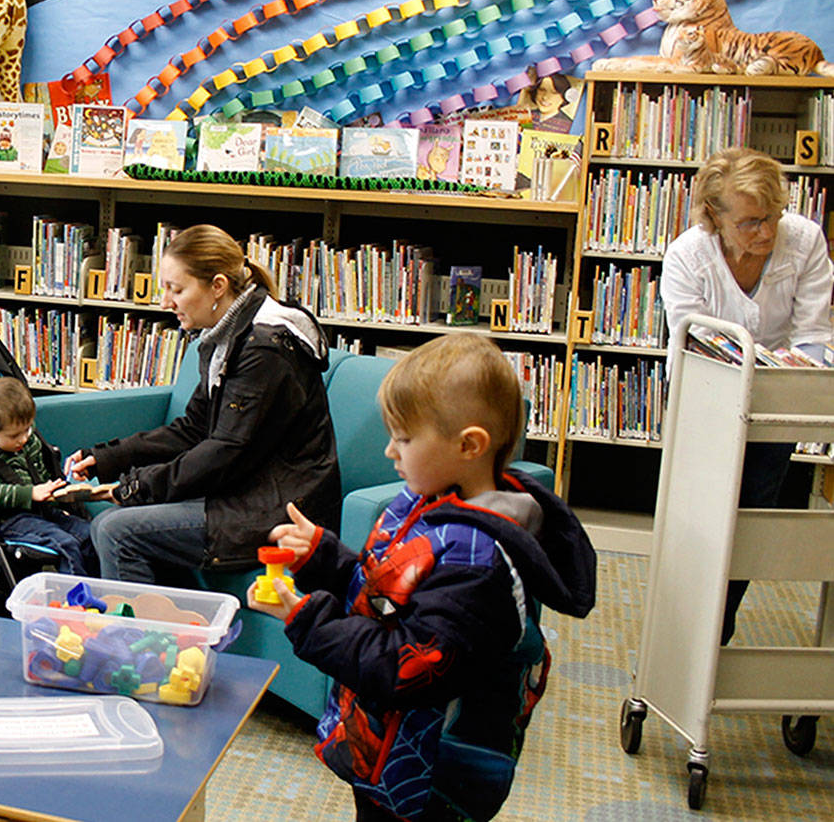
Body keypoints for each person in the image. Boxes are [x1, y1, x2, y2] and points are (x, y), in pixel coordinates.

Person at [247, 334, 596, 822]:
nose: (390, 450)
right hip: (385, 750)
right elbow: (386, 592)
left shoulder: (477, 565)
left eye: (405, 439)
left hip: (429, 779)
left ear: (469, 445)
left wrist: (307, 619)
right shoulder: (424, 501)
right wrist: (322, 559)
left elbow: (406, 667)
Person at [66, 223, 340, 586]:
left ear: (218, 287)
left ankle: (139, 641)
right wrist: (109, 458)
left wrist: (134, 487)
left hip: (278, 507)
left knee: (115, 530)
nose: (165, 302)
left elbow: (226, 450)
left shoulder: (263, 348)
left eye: (176, 289)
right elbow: (195, 427)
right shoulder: (227, 334)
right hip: (242, 489)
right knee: (100, 516)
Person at [660, 146, 834, 644]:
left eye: (773, 216)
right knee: (698, 525)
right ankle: (680, 639)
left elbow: (814, 335)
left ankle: (716, 633)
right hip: (705, 404)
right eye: (751, 222)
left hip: (775, 405)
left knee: (749, 524)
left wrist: (796, 366)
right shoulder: (687, 256)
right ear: (714, 216)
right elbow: (689, 345)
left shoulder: (804, 242)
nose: (766, 232)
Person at [0, 376, 97, 576]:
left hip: (43, 511)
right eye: (14, 436)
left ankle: (100, 585)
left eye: (28, 429)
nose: (24, 438)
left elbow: (43, 476)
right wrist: (29, 494)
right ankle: (75, 596)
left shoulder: (27, 442)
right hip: (10, 521)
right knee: (66, 544)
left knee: (91, 533)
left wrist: (60, 501)